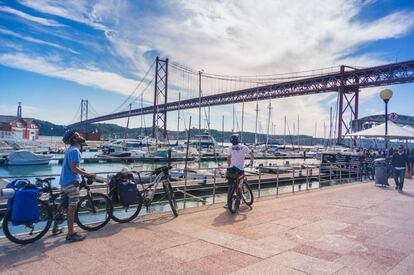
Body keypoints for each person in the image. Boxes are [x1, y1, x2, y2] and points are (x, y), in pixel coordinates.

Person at [59, 130, 96, 242]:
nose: (80, 136)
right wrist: (88, 174)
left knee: (64, 204)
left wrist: (81, 169)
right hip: (72, 182)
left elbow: (72, 166)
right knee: (72, 207)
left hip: (64, 181)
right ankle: (71, 234)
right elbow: (74, 169)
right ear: (74, 139)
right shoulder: (75, 150)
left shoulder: (69, 150)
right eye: (78, 135)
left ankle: (56, 225)